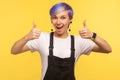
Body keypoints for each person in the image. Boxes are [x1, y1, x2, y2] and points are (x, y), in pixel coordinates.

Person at [11, 2, 112, 80]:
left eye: (63, 18)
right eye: (55, 18)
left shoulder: (78, 41)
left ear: (70, 20)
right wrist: (26, 38)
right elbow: (14, 51)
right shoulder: (42, 38)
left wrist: (92, 36)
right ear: (51, 20)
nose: (58, 22)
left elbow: (107, 49)